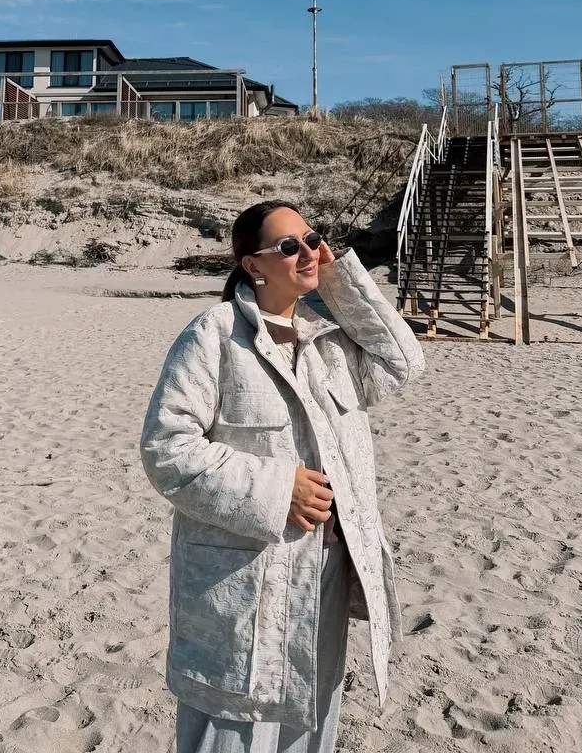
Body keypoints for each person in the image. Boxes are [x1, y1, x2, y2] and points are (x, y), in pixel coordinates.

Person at [140, 200, 426, 753]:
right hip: (245, 579)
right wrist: (278, 489)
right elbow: (167, 449)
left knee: (310, 724)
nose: (307, 252)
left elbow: (404, 361)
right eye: (289, 246)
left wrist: (338, 280)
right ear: (253, 264)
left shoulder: (330, 343)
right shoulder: (215, 335)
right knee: (231, 724)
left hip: (325, 573)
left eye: (313, 239)